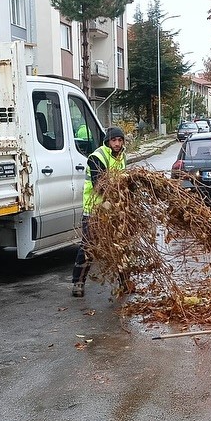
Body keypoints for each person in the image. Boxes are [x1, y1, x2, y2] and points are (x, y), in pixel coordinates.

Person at [71, 126, 127, 298]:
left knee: (120, 246)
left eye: (119, 140)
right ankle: (78, 283)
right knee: (89, 247)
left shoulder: (122, 156)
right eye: (113, 140)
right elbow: (100, 185)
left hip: (114, 210)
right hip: (95, 210)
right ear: (107, 141)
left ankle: (125, 282)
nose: (117, 144)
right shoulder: (97, 157)